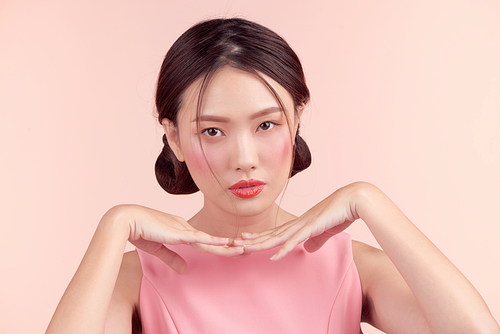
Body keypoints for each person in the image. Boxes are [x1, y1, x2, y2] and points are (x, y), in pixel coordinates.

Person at [46, 18, 499, 334]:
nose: (245, 158)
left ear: (296, 121)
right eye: (212, 131)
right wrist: (114, 225)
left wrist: (370, 200)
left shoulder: (349, 265)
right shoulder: (136, 276)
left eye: (266, 125)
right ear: (175, 138)